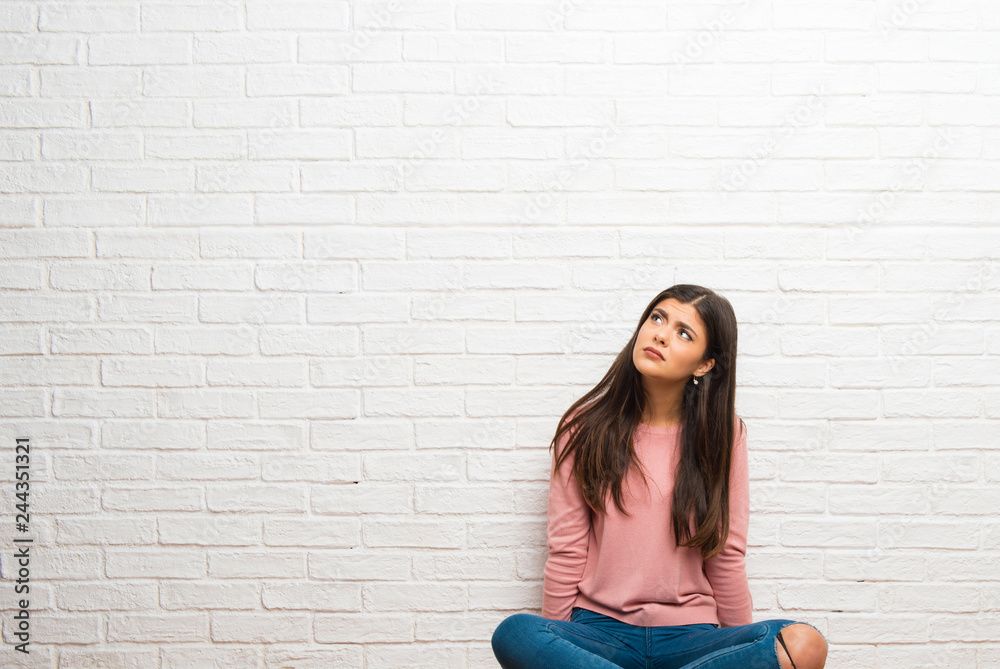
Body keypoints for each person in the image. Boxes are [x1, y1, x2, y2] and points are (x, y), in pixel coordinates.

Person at [491, 285, 829, 669]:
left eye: (684, 333)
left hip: (690, 637)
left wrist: (735, 654)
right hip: (600, 634)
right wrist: (558, 652)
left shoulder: (724, 436)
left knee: (803, 644)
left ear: (704, 364)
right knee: (516, 632)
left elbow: (725, 553)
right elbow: (567, 549)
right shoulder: (582, 428)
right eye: (657, 318)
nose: (660, 334)